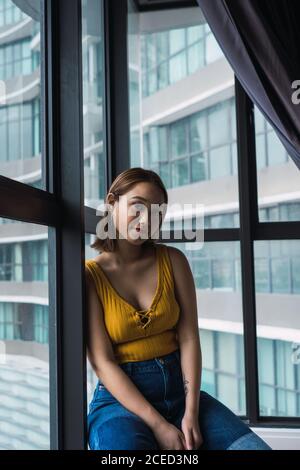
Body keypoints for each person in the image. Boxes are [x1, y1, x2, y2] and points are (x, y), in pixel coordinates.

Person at [85, 167, 272, 451]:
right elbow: (102, 362)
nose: (147, 220)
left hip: (180, 391)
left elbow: (188, 339)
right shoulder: (90, 276)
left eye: (157, 213)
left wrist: (192, 412)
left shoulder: (173, 261)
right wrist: (159, 425)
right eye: (138, 206)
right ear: (112, 202)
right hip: (120, 401)